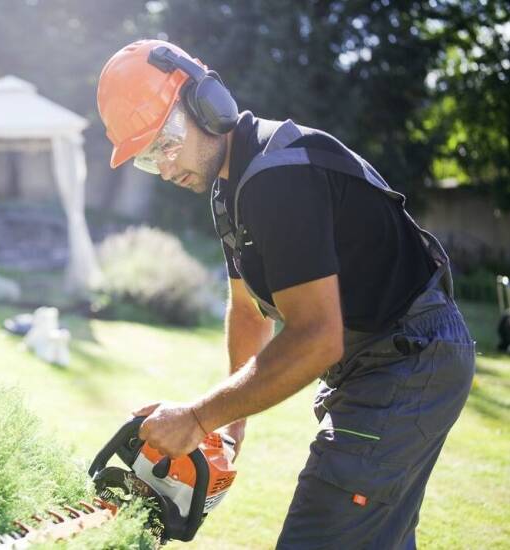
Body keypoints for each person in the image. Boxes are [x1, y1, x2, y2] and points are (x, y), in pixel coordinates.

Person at [97, 39, 475, 549]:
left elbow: (317, 338)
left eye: (165, 142)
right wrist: (230, 424)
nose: (164, 168)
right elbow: (249, 312)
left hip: (410, 358)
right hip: (380, 361)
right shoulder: (231, 189)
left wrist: (197, 417)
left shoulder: (280, 177)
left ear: (207, 103)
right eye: (147, 158)